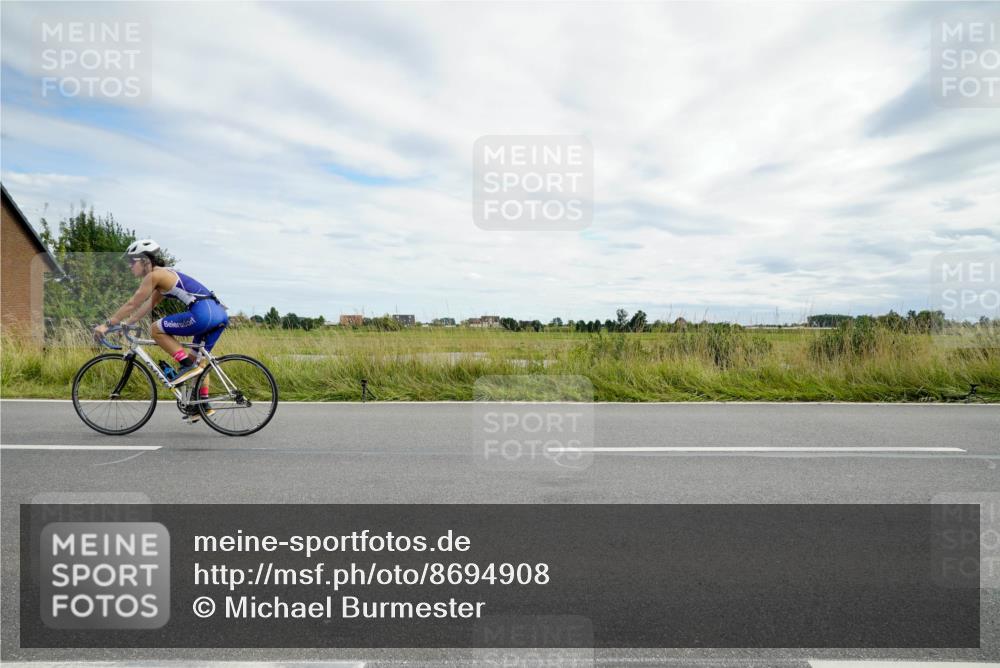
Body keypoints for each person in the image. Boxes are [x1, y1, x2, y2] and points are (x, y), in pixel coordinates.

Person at [93, 239, 229, 422]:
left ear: (145, 261)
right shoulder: (164, 275)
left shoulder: (154, 275)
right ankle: (203, 405)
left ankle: (186, 366)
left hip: (204, 313)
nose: (129, 266)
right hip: (219, 315)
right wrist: (128, 323)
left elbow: (133, 303)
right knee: (199, 363)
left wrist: (106, 325)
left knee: (155, 329)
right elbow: (150, 304)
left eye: (132, 261)